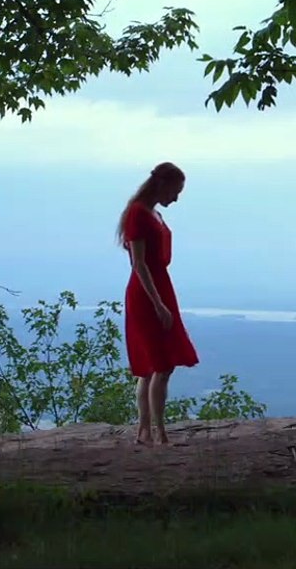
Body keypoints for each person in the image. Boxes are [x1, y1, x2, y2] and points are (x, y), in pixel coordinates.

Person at [116, 161, 199, 446]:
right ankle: (157, 431)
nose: (176, 198)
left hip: (160, 287)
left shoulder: (152, 214)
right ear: (162, 185)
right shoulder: (138, 214)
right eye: (175, 191)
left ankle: (145, 430)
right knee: (160, 364)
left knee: (155, 364)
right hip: (147, 292)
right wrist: (158, 304)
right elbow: (139, 264)